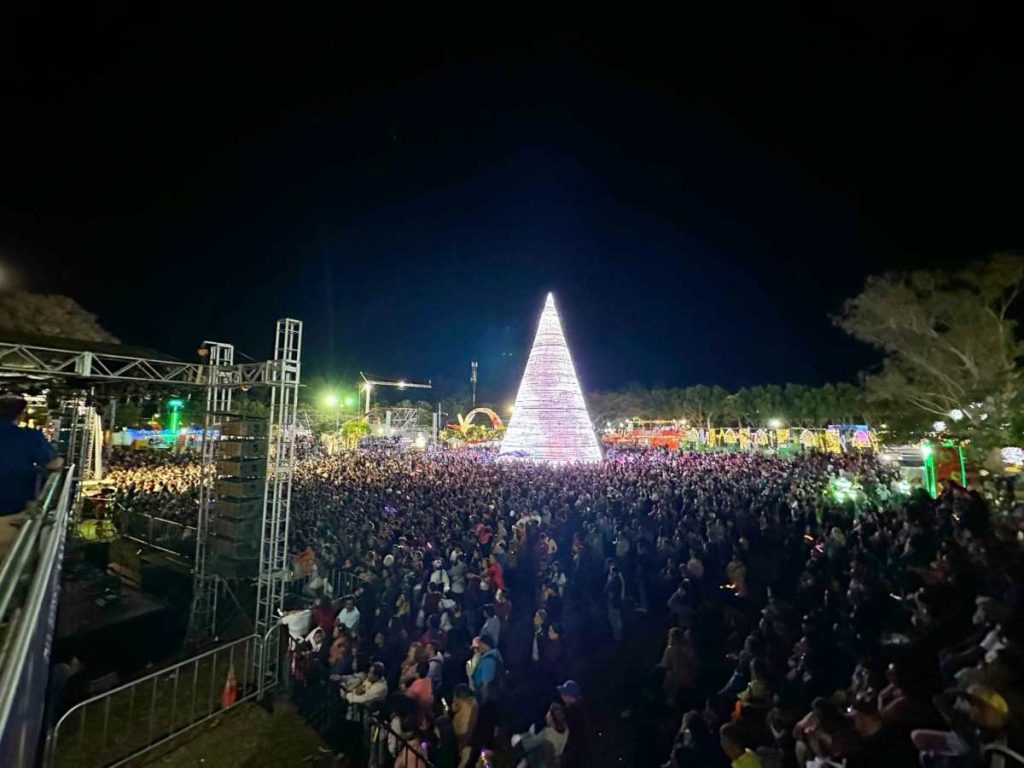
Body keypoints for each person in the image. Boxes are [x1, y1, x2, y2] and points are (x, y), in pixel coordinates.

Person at [0, 395, 61, 517]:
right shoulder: (29, 436)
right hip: (13, 498)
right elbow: (52, 464)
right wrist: (62, 461)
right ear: (21, 415)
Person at [513, 702, 570, 768]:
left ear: (552, 719)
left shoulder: (548, 733)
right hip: (554, 761)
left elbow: (529, 744)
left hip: (543, 761)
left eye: (548, 714)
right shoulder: (566, 730)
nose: (546, 715)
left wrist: (527, 734)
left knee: (527, 754)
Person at [558, 680, 592, 768]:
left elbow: (573, 736)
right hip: (581, 754)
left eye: (563, 693)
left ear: (569, 695)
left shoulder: (571, 713)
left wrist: (565, 756)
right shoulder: (583, 711)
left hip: (573, 755)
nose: (561, 696)